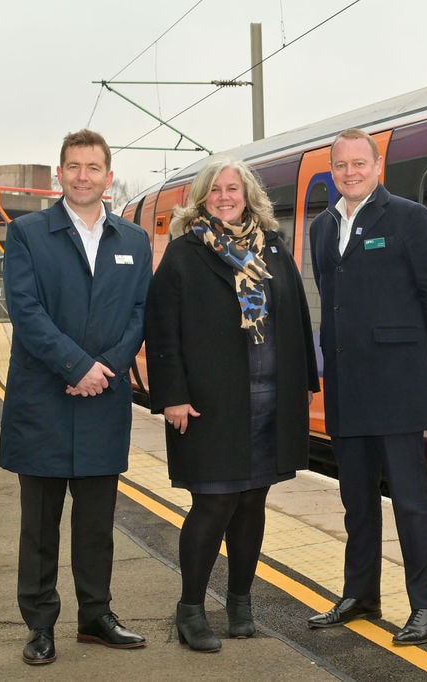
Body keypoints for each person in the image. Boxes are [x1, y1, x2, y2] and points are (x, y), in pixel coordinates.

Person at [144, 158, 320, 653]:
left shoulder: (273, 248)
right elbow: (162, 329)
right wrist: (172, 396)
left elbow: (297, 317)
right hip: (210, 404)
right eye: (216, 189)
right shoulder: (183, 254)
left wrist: (305, 381)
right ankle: (191, 611)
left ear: (248, 196)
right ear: (201, 197)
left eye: (234, 189)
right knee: (214, 503)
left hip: (268, 402)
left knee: (252, 504)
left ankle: (240, 605)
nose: (225, 196)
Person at [0, 129, 152, 665]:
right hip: (43, 401)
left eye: (93, 168)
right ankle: (40, 625)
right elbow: (26, 312)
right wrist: (77, 365)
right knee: (38, 526)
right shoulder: (26, 233)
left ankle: (95, 617)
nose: (83, 176)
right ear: (59, 175)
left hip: (102, 400)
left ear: (108, 178)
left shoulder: (133, 240)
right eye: (74, 167)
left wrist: (104, 368)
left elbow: (139, 314)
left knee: (96, 524)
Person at [307, 128, 427, 645]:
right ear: (333, 171)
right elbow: (332, 299)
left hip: (396, 384)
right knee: (357, 501)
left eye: (359, 164)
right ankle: (360, 594)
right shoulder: (322, 228)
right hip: (346, 385)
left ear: (376, 167)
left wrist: (418, 356)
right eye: (341, 165)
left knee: (412, 502)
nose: (350, 172)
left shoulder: (410, 219)